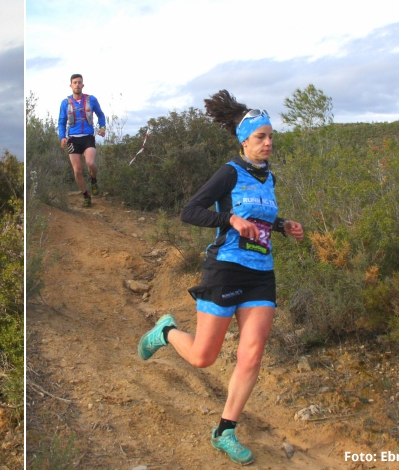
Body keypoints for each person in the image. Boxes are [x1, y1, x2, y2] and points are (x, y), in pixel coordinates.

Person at [136, 90, 304, 465]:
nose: (268, 143)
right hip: (225, 268)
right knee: (202, 358)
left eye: (271, 136)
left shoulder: (268, 178)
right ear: (244, 140)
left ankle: (225, 430)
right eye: (261, 137)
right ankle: (165, 331)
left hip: (262, 273)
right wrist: (228, 219)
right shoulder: (229, 172)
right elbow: (189, 211)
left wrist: (282, 225)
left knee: (252, 353)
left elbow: (258, 218)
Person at [58, 74, 106, 207]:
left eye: (79, 82)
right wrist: (62, 137)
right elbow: (61, 122)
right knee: (77, 170)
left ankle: (93, 179)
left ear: (83, 85)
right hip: (73, 139)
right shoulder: (65, 103)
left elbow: (101, 115)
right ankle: (86, 195)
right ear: (71, 85)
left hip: (88, 137)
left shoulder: (91, 99)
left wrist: (102, 128)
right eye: (75, 82)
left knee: (90, 163)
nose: (77, 85)